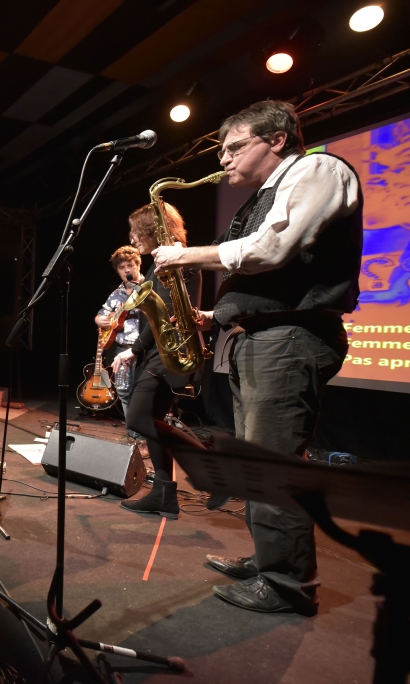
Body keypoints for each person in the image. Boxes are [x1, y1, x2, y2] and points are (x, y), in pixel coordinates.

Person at [150, 100, 361, 615]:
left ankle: (289, 587)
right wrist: (213, 316)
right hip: (260, 337)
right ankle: (271, 559)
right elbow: (258, 273)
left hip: (289, 338)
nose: (224, 159)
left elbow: (273, 249)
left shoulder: (319, 169)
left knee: (272, 467)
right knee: (254, 463)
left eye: (234, 147)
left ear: (278, 139)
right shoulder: (262, 194)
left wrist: (184, 255)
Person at [112, 202, 201, 520]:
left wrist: (135, 348)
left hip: (164, 352)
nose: (133, 239)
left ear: (153, 229)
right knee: (154, 423)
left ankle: (203, 462)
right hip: (162, 350)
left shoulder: (175, 259)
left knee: (138, 419)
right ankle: (164, 495)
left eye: (136, 231)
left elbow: (165, 312)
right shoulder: (170, 259)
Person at [94, 246, 144, 419]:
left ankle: (149, 434)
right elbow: (102, 313)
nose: (127, 270)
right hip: (122, 349)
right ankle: (132, 432)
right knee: (123, 392)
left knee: (146, 392)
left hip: (145, 348)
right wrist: (99, 319)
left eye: (130, 265)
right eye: (122, 268)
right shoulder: (116, 294)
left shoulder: (149, 288)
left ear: (138, 265)